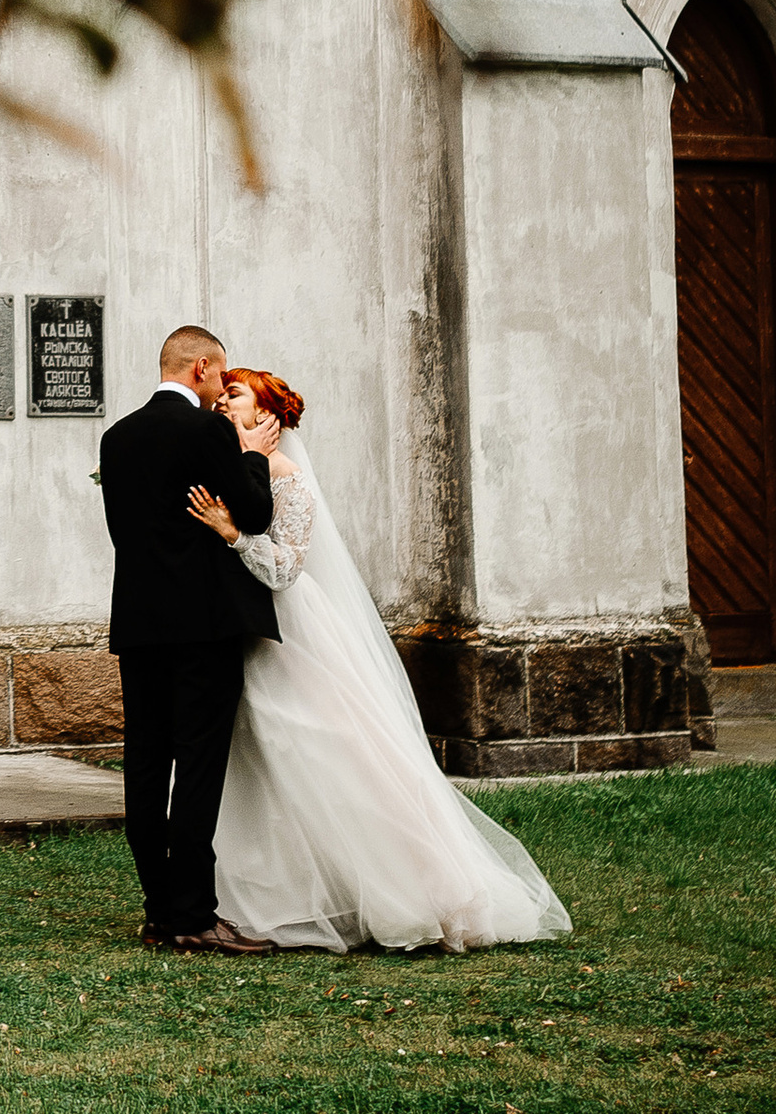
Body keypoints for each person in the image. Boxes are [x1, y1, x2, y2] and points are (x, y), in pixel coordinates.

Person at [185, 370, 572, 953]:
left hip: (292, 635)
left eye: (233, 395)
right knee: (268, 762)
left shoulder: (287, 478)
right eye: (220, 395)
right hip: (252, 632)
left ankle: (415, 888)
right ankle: (286, 895)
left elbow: (284, 570)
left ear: (269, 415)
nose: (220, 402)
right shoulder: (242, 467)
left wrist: (232, 533)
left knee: (325, 751)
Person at [97, 323, 280, 956]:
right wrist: (252, 453)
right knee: (198, 769)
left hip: (141, 627)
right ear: (200, 367)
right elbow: (254, 513)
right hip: (202, 628)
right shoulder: (208, 431)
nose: (223, 388)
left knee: (146, 766)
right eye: (221, 375)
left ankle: (158, 911)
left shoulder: (115, 438)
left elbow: (127, 533)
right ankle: (196, 916)